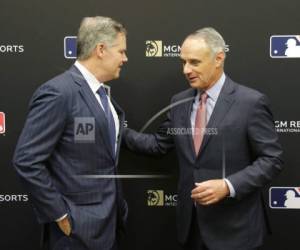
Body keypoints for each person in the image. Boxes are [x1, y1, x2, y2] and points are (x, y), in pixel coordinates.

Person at [123, 27, 283, 250]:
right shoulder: (179, 102)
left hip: (236, 230)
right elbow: (158, 145)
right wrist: (117, 129)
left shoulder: (251, 103)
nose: (186, 70)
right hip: (191, 229)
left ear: (219, 59)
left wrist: (228, 186)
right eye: (183, 62)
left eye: (194, 62)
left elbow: (272, 160)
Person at [13, 16, 128, 250]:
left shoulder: (101, 94)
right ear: (101, 50)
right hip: (76, 233)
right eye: (122, 51)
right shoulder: (59, 93)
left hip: (110, 225)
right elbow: (26, 161)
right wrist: (61, 215)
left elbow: (106, 142)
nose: (125, 59)